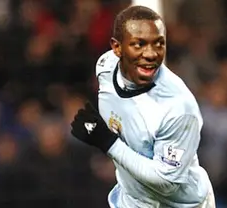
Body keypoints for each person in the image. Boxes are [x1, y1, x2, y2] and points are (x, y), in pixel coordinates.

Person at [70, 5, 215, 208]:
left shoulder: (178, 107)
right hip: (130, 201)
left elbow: (166, 183)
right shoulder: (105, 66)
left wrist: (108, 142)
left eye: (158, 44)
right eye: (139, 45)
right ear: (117, 48)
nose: (150, 54)